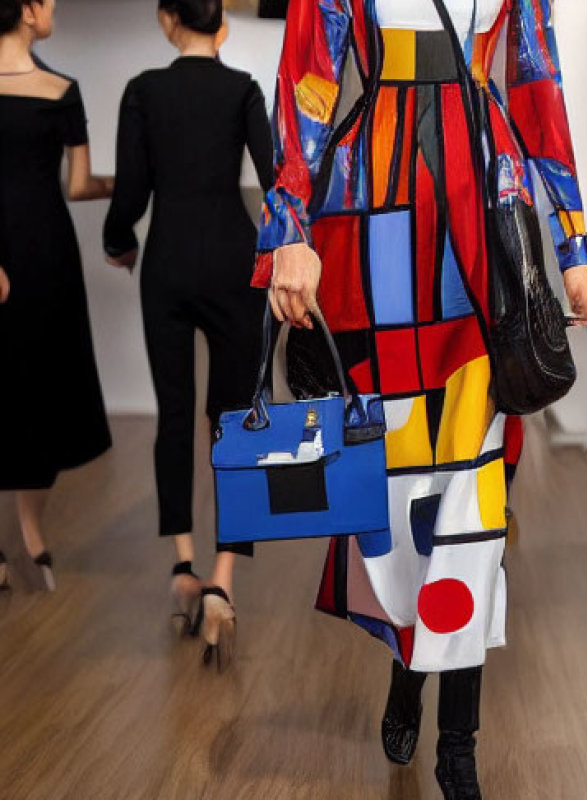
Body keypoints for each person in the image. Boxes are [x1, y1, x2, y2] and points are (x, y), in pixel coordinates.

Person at [254, 1, 587, 796]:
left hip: (487, 228)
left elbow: (538, 85)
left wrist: (573, 238)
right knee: (397, 484)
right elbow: (305, 84)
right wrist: (289, 227)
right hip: (372, 220)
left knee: (476, 488)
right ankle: (413, 662)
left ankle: (459, 745)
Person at [103, 0, 273, 667]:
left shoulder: (143, 91)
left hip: (168, 260)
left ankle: (183, 569)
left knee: (175, 414)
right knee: (233, 422)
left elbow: (132, 195)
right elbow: (274, 177)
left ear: (167, 20)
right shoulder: (243, 89)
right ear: (222, 27)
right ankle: (224, 584)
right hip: (235, 261)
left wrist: (120, 241)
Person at [0, 0, 113, 592]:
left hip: (46, 255)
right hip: (11, 252)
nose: (54, 9)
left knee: (37, 388)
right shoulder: (60, 88)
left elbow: (77, 185)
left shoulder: (62, 88)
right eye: (46, 1)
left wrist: (140, 180)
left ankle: (31, 533)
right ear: (24, 11)